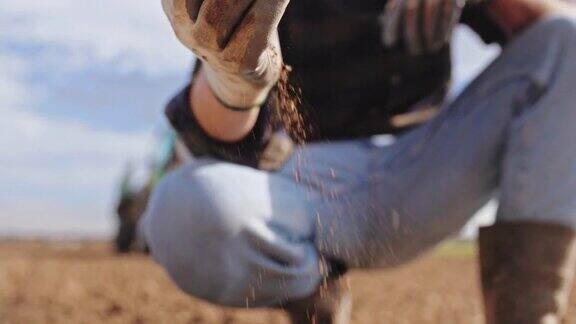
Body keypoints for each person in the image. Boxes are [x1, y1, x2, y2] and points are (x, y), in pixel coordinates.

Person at [141, 0, 576, 322]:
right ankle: (313, 292)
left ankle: (528, 314)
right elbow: (214, 138)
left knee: (567, 39)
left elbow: (548, 38)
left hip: (423, 172)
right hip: (307, 187)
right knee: (181, 208)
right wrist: (233, 80)